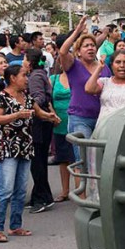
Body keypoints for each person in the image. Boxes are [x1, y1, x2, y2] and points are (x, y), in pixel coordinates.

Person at [0, 64, 36, 242]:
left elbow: (36, 111)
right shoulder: (1, 97)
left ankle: (15, 226)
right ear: (13, 78)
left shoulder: (26, 96)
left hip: (25, 147)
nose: (27, 78)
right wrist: (16, 115)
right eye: (24, 75)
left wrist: (49, 116)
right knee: (5, 190)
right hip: (7, 148)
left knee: (21, 190)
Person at [58, 16, 111, 141]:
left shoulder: (104, 67)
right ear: (78, 52)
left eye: (93, 45)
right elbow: (63, 52)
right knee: (84, 157)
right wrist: (77, 31)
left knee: (99, 157)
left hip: (102, 118)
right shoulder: (73, 65)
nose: (90, 48)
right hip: (80, 118)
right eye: (86, 46)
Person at [26, 47, 61, 213]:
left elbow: (39, 98)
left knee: (37, 162)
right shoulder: (40, 74)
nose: (23, 63)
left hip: (39, 124)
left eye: (25, 60)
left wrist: (28, 105)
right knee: (38, 161)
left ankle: (43, 198)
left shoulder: (34, 77)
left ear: (30, 62)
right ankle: (38, 195)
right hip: (43, 122)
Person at [85, 50, 125, 121]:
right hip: (104, 128)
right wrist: (99, 68)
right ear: (112, 65)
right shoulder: (105, 82)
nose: (122, 65)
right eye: (118, 62)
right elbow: (88, 88)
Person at [49, 58, 76, 201]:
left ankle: (79, 191)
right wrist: (52, 112)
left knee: (77, 159)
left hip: (75, 121)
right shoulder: (53, 79)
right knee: (63, 159)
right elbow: (47, 99)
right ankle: (65, 191)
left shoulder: (77, 78)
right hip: (58, 123)